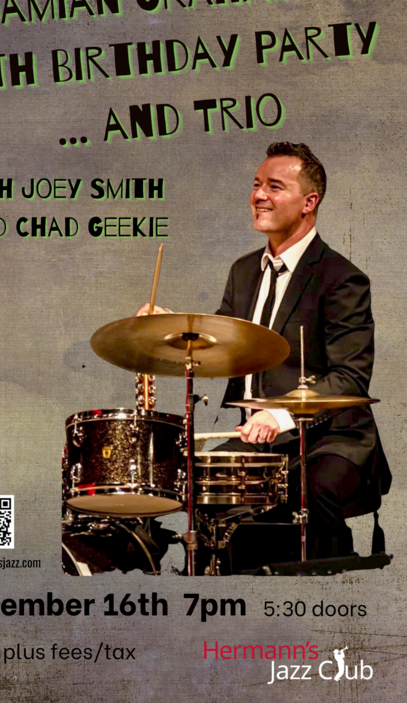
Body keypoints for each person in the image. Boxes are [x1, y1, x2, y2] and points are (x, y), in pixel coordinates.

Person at [138, 142, 391, 564]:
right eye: (256, 185)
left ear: (309, 202)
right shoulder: (243, 271)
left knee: (312, 491)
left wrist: (278, 414)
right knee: (198, 486)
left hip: (332, 441)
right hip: (262, 444)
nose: (258, 195)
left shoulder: (341, 278)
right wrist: (168, 330)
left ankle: (325, 587)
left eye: (274, 186)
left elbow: (350, 377)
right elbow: (219, 345)